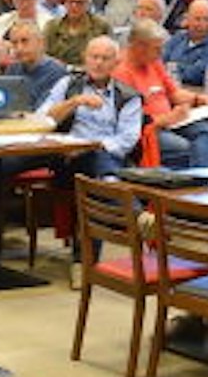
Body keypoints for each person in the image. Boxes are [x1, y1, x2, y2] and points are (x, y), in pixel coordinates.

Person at [39, 35, 142, 288]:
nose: (98, 63)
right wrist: (75, 102)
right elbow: (43, 118)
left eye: (105, 58)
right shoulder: (68, 84)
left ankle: (83, 263)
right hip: (64, 158)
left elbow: (126, 141)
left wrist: (90, 147)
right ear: (85, 58)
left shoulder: (128, 96)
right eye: (94, 57)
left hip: (101, 158)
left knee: (95, 180)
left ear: (116, 62)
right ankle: (134, 212)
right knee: (100, 178)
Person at [114, 18, 208, 168]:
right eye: (156, 49)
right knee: (182, 147)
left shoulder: (153, 62)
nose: (161, 53)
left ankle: (206, 176)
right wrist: (169, 118)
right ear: (139, 47)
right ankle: (188, 179)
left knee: (207, 130)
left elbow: (173, 93)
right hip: (148, 130)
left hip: (172, 121)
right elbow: (136, 121)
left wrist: (197, 99)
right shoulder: (122, 73)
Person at [162, 0, 208, 88]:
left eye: (207, 19)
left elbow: (196, 75)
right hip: (169, 87)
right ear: (188, 19)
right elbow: (159, 62)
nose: (202, 24)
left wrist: (172, 67)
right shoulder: (178, 37)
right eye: (197, 19)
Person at [2, 21, 67, 107]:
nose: (19, 48)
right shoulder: (13, 68)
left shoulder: (56, 71)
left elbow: (44, 109)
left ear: (40, 42)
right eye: (14, 43)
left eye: (25, 41)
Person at [45, 0, 111, 66]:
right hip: (58, 70)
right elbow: (44, 56)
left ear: (88, 5)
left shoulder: (101, 26)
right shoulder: (52, 26)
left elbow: (109, 55)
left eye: (79, 3)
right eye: (70, 2)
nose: (74, 6)